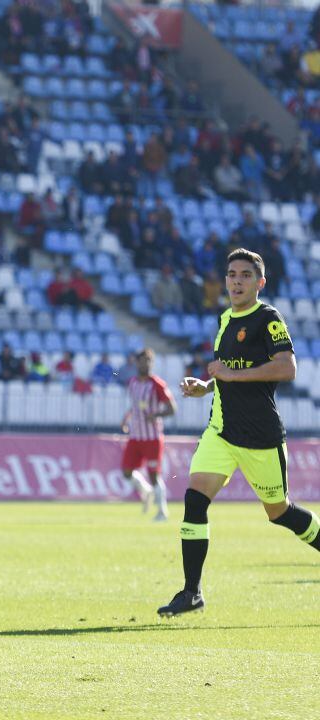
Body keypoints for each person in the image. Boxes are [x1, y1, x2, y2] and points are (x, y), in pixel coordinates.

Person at [158, 249, 319, 617]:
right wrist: (206, 385)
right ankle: (191, 592)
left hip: (260, 436)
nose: (236, 281)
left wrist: (230, 376)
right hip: (221, 430)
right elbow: (227, 371)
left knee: (279, 513)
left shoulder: (268, 319)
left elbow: (286, 368)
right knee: (195, 499)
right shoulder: (225, 318)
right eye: (232, 274)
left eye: (246, 275)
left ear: (260, 283)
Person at [120, 348, 177, 521]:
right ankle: (146, 491)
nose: (145, 364)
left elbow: (172, 408)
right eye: (142, 360)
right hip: (135, 436)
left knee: (154, 475)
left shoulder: (157, 384)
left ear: (151, 363)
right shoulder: (133, 383)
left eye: (148, 361)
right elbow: (136, 405)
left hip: (152, 437)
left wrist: (156, 415)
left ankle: (162, 512)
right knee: (126, 471)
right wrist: (126, 418)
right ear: (136, 363)